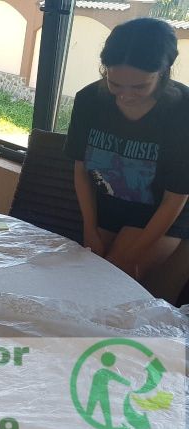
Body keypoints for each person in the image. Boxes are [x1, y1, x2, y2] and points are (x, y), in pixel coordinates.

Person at [65, 18, 189, 288]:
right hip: (107, 205)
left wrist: (134, 256)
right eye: (115, 83)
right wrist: (89, 229)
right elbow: (81, 170)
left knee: (110, 278)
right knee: (81, 275)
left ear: (163, 71)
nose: (125, 95)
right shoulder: (88, 100)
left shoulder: (183, 111)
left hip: (158, 212)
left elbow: (175, 198)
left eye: (139, 86)